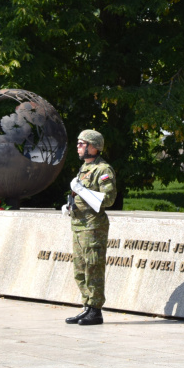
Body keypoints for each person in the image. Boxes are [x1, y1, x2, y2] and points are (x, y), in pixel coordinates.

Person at [63, 129, 117, 326]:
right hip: (79, 225)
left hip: (93, 227)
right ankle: (87, 307)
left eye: (81, 143)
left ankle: (95, 310)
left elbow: (109, 199)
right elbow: (81, 196)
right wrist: (71, 204)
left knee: (93, 267)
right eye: (78, 143)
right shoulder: (85, 169)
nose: (78, 147)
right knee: (80, 269)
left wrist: (82, 191)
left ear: (93, 146)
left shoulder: (103, 170)